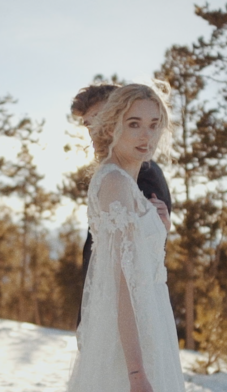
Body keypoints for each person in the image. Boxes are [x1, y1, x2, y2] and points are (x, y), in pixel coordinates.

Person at [56, 83, 207, 392]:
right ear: (114, 124)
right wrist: (137, 373)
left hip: (151, 325)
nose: (146, 135)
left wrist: (155, 221)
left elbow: (136, 253)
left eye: (154, 124)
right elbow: (118, 283)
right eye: (134, 124)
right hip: (134, 335)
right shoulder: (116, 182)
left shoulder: (130, 178)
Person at [70, 83, 172, 327]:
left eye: (101, 118)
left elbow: (135, 259)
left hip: (129, 319)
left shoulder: (143, 173)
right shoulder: (113, 174)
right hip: (106, 312)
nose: (96, 130)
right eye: (88, 124)